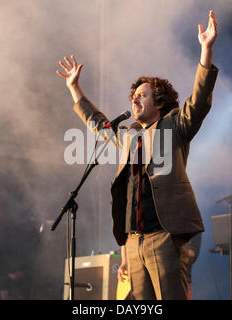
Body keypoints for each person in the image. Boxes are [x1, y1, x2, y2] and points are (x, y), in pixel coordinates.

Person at [57, 10, 218, 300]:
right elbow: (98, 124)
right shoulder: (129, 136)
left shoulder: (174, 126)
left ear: (160, 102)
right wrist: (75, 89)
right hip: (134, 242)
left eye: (142, 95)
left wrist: (206, 50)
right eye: (134, 95)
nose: (135, 99)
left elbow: (199, 102)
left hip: (164, 237)